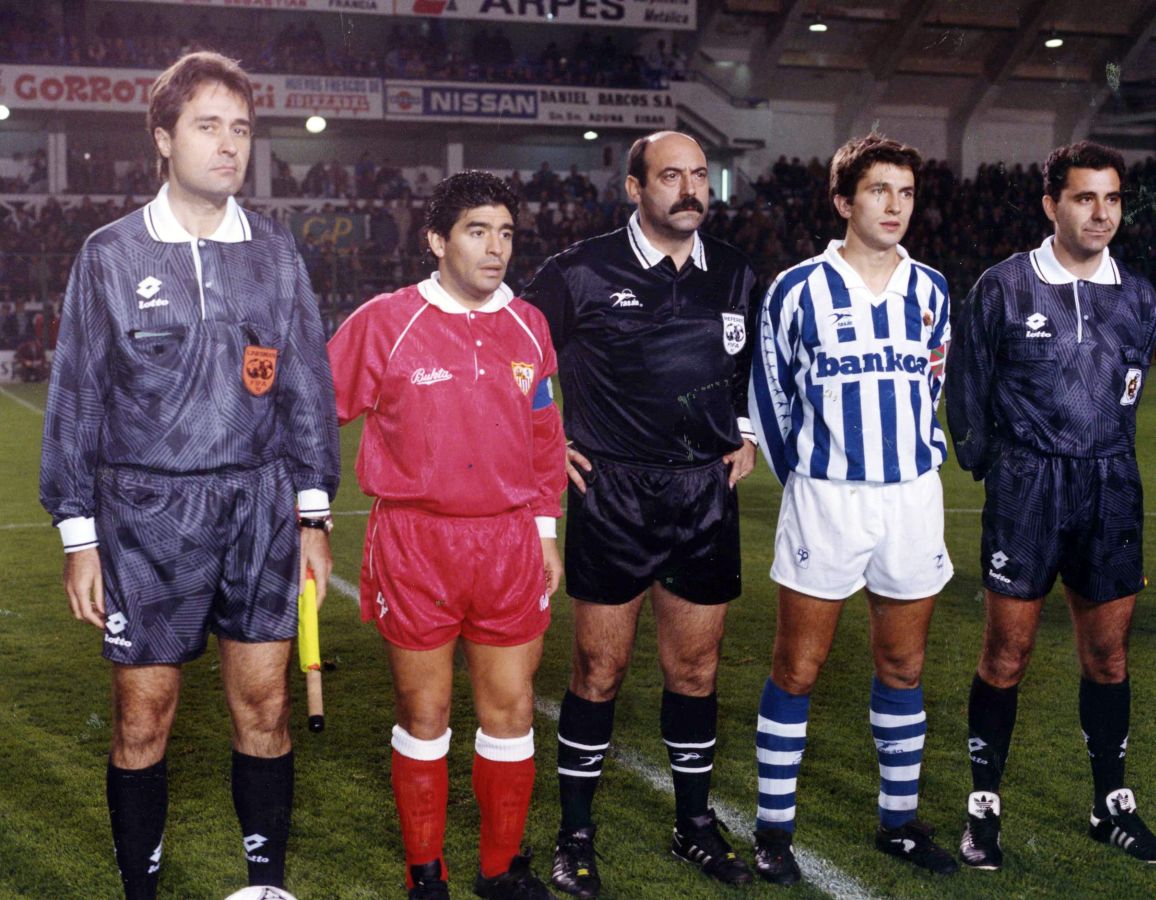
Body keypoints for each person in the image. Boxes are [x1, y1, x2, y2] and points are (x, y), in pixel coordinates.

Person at [38, 52, 340, 899]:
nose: (229, 144)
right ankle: (142, 889)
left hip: (258, 508)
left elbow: (306, 390)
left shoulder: (275, 253)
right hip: (144, 514)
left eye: (241, 128)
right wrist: (78, 534)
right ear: (164, 139)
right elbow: (77, 400)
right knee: (143, 719)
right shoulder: (109, 255)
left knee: (266, 709)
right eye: (208, 126)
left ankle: (264, 883)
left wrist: (312, 519)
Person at [521, 131, 759, 897]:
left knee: (694, 670)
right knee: (599, 669)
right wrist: (547, 435)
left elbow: (751, 365)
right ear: (633, 188)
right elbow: (516, 358)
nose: (690, 189)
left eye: (699, 176)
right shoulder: (579, 271)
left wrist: (746, 431)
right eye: (670, 176)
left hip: (702, 494)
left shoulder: (733, 271)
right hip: (613, 491)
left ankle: (694, 826)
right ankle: (575, 834)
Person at [327, 171, 567, 900]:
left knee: (511, 709)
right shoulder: (385, 320)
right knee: (424, 712)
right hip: (415, 544)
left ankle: (498, 870)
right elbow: (313, 412)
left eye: (506, 234)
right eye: (476, 231)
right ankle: (424, 873)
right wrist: (307, 507)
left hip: (509, 544)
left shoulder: (530, 324)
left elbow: (545, 440)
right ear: (437, 240)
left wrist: (547, 534)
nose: (495, 249)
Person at [748, 134, 958, 886]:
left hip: (911, 500)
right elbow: (769, 400)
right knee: (798, 666)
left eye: (905, 192)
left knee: (903, 664)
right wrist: (809, 472)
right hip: (827, 500)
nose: (895, 205)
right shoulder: (796, 289)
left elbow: (931, 385)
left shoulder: (931, 289)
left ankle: (897, 825)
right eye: (879, 191)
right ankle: (773, 831)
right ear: (844, 201)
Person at [947, 140, 1156, 870]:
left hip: (1109, 488)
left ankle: (1111, 804)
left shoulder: (1138, 294)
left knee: (1107, 655)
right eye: (1084, 197)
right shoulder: (1003, 287)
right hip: (1027, 489)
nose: (1101, 213)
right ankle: (984, 808)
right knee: (1007, 654)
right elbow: (965, 392)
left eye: (1112, 198)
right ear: (1051, 204)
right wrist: (994, 468)